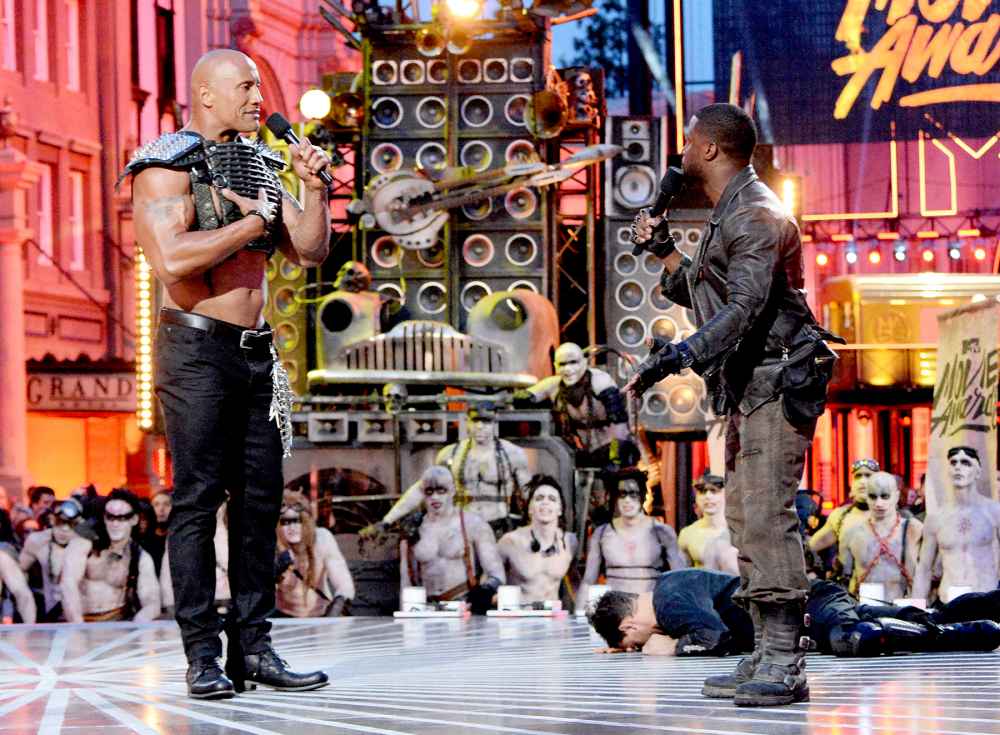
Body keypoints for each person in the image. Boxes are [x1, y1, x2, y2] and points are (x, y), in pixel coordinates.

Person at [121, 48, 333, 698]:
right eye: (243, 85)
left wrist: (313, 185)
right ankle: (201, 655)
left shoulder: (264, 163)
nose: (254, 95)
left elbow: (310, 250)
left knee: (261, 501)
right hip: (195, 349)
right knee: (196, 500)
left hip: (255, 352)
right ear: (205, 95)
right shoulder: (164, 164)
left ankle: (255, 646)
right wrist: (249, 223)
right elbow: (172, 260)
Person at [626, 103, 840, 706]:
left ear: (712, 150)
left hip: (778, 379)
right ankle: (762, 652)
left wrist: (678, 357)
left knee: (768, 515)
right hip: (751, 384)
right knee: (744, 515)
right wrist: (664, 249)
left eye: (689, 141)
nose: (682, 151)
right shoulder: (732, 210)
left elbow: (741, 311)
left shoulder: (756, 214)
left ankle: (784, 660)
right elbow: (708, 292)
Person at [587, 569, 1000, 662]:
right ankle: (988, 606)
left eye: (631, 644)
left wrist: (672, 649)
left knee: (854, 639)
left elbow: (717, 639)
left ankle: (972, 633)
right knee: (930, 613)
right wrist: (622, 650)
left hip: (810, 606)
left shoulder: (669, 601)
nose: (639, 647)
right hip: (811, 606)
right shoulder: (669, 591)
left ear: (628, 626)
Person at [365, 405, 530, 536]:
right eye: (475, 421)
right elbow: (422, 488)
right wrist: (387, 521)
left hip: (498, 527)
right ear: (468, 421)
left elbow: (529, 495)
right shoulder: (451, 453)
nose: (480, 427)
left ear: (495, 422)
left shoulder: (512, 454)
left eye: (486, 422)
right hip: (461, 527)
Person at [576, 470, 686, 613]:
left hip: (651, 611)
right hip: (615, 614)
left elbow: (682, 578)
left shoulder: (662, 532)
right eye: (622, 494)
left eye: (633, 494)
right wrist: (578, 617)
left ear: (643, 496)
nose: (627, 500)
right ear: (615, 498)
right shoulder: (602, 533)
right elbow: (588, 581)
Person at [399, 466, 505, 612]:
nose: (435, 497)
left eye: (441, 491)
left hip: (464, 607)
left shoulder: (473, 524)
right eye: (429, 492)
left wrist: (480, 597)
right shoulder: (413, 530)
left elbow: (497, 575)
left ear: (453, 491)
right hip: (428, 610)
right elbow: (406, 584)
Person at [516, 342, 638, 470]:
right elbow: (523, 398)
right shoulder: (553, 385)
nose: (568, 369)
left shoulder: (601, 381)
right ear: (555, 366)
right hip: (583, 451)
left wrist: (615, 456)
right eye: (562, 364)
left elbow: (619, 424)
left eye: (573, 362)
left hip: (614, 446)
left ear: (583, 362)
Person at [60, 488, 161, 623]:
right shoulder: (83, 544)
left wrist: (139, 622)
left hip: (117, 623)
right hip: (80, 621)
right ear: (104, 518)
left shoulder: (139, 556)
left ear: (134, 519)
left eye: (122, 518)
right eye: (110, 517)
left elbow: (152, 602)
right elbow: (68, 584)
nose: (115, 524)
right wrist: (78, 628)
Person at [913, 447, 1000, 603]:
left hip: (987, 601)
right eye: (953, 463)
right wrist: (915, 607)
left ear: (978, 472)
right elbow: (924, 569)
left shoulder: (994, 512)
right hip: (949, 602)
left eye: (965, 463)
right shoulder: (936, 518)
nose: (958, 467)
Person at [840, 471, 923, 601]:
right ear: (867, 497)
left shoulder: (913, 529)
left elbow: (928, 575)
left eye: (885, 496)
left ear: (896, 496)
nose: (878, 503)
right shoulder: (852, 532)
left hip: (903, 610)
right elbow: (843, 579)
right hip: (865, 610)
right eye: (873, 496)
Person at [497, 475, 578, 604]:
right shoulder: (510, 541)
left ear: (560, 509)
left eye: (552, 499)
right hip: (519, 618)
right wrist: (499, 599)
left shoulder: (570, 542)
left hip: (553, 618)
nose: (545, 502)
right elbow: (489, 581)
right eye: (539, 498)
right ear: (530, 508)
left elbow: (575, 583)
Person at [275, 491, 354, 617]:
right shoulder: (272, 545)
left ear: (306, 521)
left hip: (320, 615)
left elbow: (344, 583)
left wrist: (337, 607)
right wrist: (274, 572)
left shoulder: (322, 538)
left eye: (297, 521)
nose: (292, 527)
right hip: (284, 618)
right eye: (285, 522)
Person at [19, 498, 85, 622]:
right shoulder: (37, 541)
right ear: (51, 519)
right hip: (52, 616)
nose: (65, 529)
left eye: (71, 524)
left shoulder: (86, 543)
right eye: (60, 522)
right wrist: (26, 599)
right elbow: (19, 571)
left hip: (84, 615)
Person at [809, 458, 878, 559]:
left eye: (868, 475)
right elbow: (811, 547)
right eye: (858, 476)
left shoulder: (896, 517)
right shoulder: (840, 516)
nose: (862, 481)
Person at [677, 473, 736, 573]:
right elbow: (683, 576)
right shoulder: (687, 534)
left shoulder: (737, 530)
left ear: (725, 494)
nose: (708, 496)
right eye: (702, 491)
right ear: (696, 497)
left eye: (714, 491)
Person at [143, 490, 172, 575]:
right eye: (156, 504)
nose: (161, 509)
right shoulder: (144, 541)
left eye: (166, 504)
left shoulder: (178, 540)